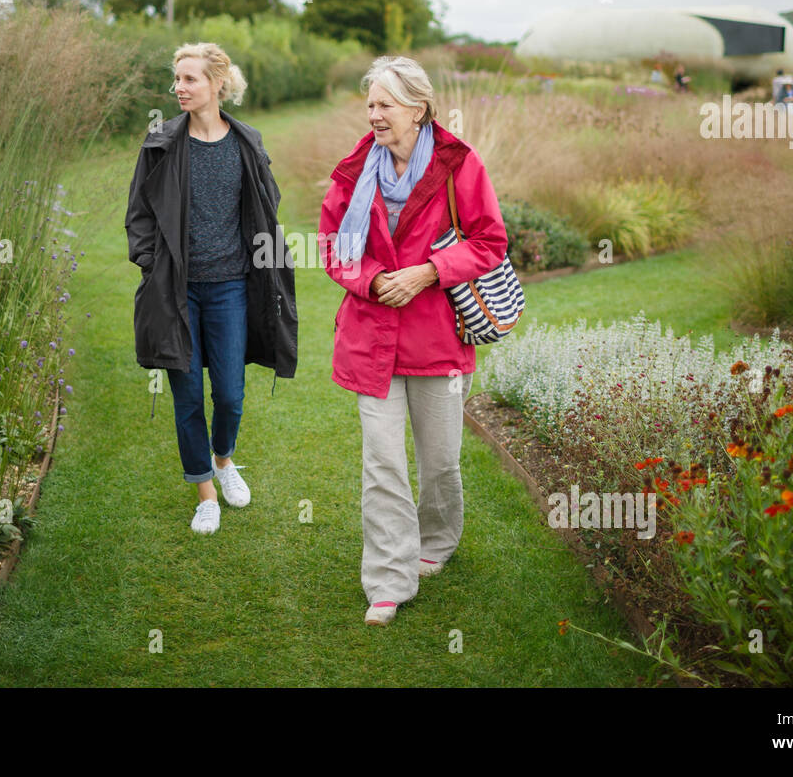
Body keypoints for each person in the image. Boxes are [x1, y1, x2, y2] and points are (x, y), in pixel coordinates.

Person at [318, 56, 508, 627]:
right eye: (370, 104)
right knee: (382, 462)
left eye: (385, 105)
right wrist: (373, 278)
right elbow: (332, 246)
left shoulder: (458, 164)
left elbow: (489, 240)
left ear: (418, 109)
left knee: (439, 461)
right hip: (370, 339)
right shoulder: (353, 171)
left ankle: (438, 539)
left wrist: (428, 271)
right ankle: (387, 580)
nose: (374, 115)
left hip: (438, 343)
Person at [125, 42, 297, 534]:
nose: (179, 88)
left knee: (230, 394)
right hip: (176, 290)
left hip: (231, 289)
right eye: (177, 79)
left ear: (217, 84)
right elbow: (138, 212)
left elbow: (268, 202)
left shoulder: (246, 142)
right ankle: (204, 492)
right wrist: (150, 262)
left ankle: (224, 461)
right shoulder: (161, 141)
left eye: (190, 79)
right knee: (187, 398)